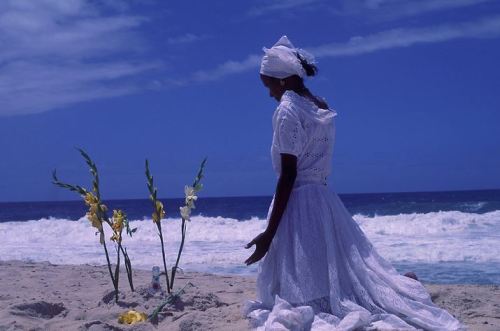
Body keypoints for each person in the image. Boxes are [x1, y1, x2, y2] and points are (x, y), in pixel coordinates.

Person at [243, 36, 464, 330]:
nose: (269, 92)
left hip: (299, 201)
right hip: (323, 198)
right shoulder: (319, 104)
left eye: (268, 84)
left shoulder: (287, 110)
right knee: (335, 268)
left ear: (282, 81)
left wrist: (269, 233)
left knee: (307, 285)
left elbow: (289, 174)